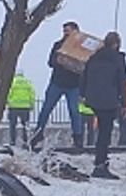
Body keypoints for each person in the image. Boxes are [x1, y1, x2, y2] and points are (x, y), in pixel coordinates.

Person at [29, 21, 86, 152]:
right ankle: (38, 134)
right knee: (46, 109)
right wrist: (59, 60)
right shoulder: (58, 45)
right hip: (57, 82)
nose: (65, 33)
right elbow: (50, 62)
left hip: (73, 85)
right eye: (64, 31)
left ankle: (77, 138)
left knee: (74, 112)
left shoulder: (81, 48)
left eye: (68, 31)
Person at [81, 31, 126, 179]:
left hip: (93, 98)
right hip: (109, 100)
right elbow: (123, 81)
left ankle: (100, 162)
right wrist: (125, 103)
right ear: (116, 44)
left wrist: (83, 94)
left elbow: (83, 76)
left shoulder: (93, 57)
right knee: (105, 133)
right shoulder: (118, 59)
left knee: (102, 131)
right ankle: (100, 165)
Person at [5, 70, 36, 147]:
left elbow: (8, 93)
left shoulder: (13, 82)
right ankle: (26, 141)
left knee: (12, 125)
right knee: (25, 125)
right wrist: (32, 104)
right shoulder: (27, 83)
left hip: (14, 107)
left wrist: (8, 103)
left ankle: (12, 141)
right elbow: (32, 94)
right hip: (25, 107)